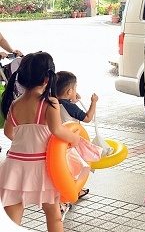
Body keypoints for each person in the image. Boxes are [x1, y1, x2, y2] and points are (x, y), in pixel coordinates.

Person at [0, 51, 80, 232]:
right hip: (42, 167)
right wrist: (75, 138)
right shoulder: (50, 102)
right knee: (53, 214)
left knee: (12, 218)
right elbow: (57, 130)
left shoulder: (15, 104)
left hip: (14, 165)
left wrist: (25, 144)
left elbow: (8, 132)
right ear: (47, 78)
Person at [55, 71, 98, 207]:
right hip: (71, 143)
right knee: (74, 170)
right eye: (75, 89)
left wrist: (72, 99)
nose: (75, 91)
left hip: (57, 144)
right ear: (69, 91)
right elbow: (88, 118)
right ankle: (68, 197)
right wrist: (94, 102)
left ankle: (73, 191)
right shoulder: (70, 106)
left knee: (63, 171)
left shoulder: (53, 102)